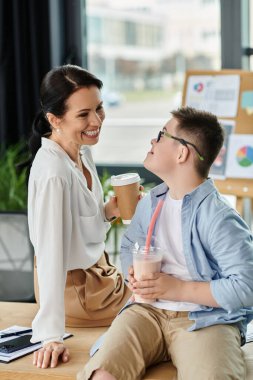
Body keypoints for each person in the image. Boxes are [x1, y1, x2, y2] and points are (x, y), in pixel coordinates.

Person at [79, 106, 253, 380]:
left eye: (161, 135)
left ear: (182, 153)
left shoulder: (219, 217)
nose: (152, 140)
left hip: (204, 320)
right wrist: (132, 274)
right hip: (146, 312)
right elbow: (129, 247)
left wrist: (179, 289)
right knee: (102, 375)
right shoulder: (150, 203)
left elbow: (245, 287)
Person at [27, 64, 131, 369]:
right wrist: (51, 336)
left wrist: (109, 211)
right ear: (54, 119)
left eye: (98, 108)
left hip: (98, 275)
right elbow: (49, 255)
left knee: (163, 289)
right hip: (75, 290)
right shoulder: (53, 174)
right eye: (83, 114)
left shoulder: (82, 151)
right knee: (159, 304)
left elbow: (80, 225)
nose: (96, 120)